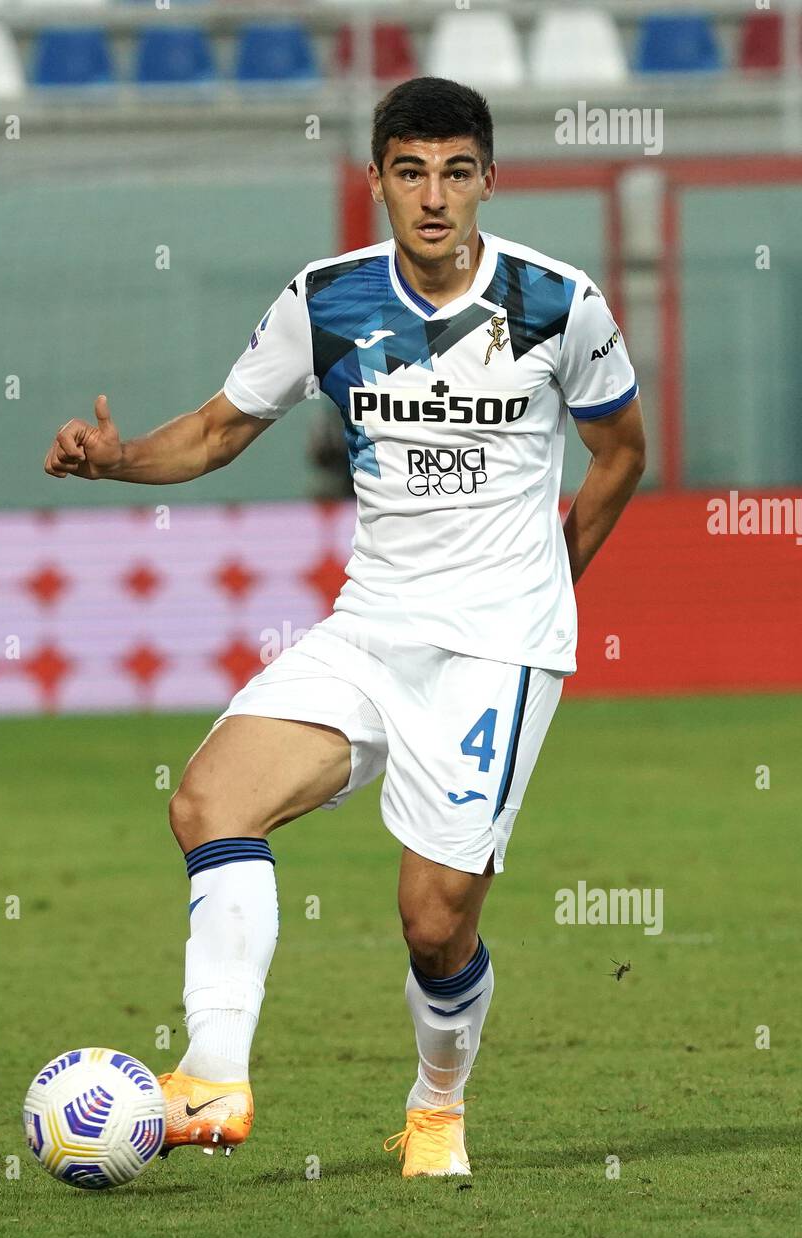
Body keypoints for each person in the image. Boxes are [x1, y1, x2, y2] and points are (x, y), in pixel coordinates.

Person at [42, 77, 645, 1178]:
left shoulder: (561, 304)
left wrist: (548, 586)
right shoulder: (325, 302)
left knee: (432, 921)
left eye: (455, 172)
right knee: (209, 799)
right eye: (409, 172)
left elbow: (620, 454)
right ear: (376, 182)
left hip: (497, 648)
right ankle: (214, 1076)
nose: (433, 196)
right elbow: (223, 429)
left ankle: (436, 1107)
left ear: (486, 181)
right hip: (369, 630)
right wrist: (114, 458)